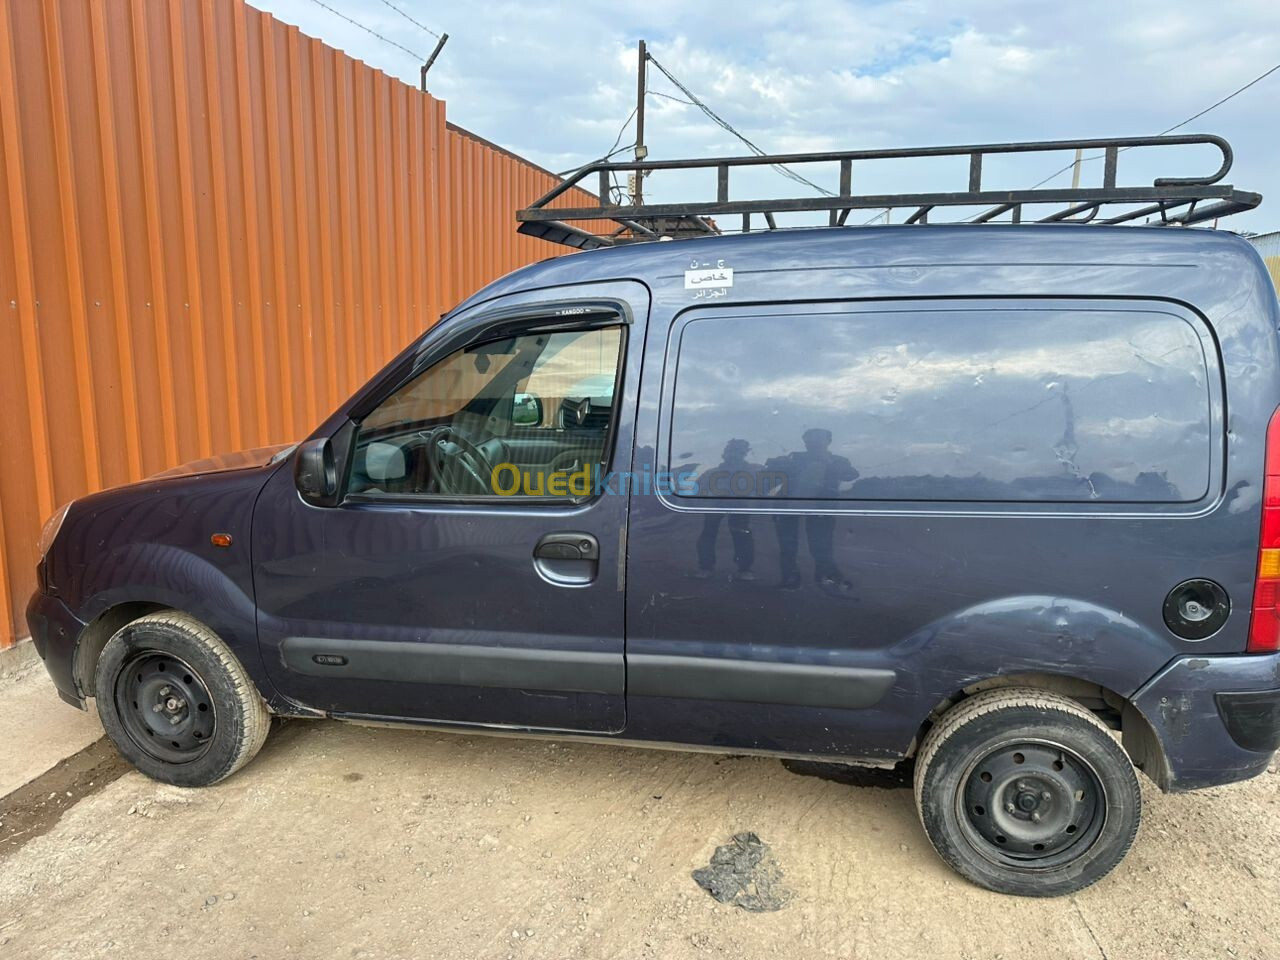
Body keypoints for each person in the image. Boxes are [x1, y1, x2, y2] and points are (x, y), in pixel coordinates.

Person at [765, 428, 857, 589]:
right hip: (789, 507)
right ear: (805, 443)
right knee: (788, 546)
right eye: (809, 440)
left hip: (821, 509)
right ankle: (790, 578)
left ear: (828, 442)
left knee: (821, 546)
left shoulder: (837, 460)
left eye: (817, 440)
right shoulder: (795, 458)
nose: (813, 444)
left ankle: (825, 577)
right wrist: (776, 464)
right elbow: (775, 475)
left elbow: (851, 475)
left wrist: (828, 461)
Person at [694, 439, 760, 580]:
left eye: (738, 451)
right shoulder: (712, 472)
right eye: (731, 451)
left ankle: (745, 569)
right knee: (708, 534)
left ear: (744, 453)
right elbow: (698, 487)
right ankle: (705, 567)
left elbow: (764, 488)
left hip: (741, 505)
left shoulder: (753, 471)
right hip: (715, 505)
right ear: (725, 453)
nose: (734, 455)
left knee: (742, 535)